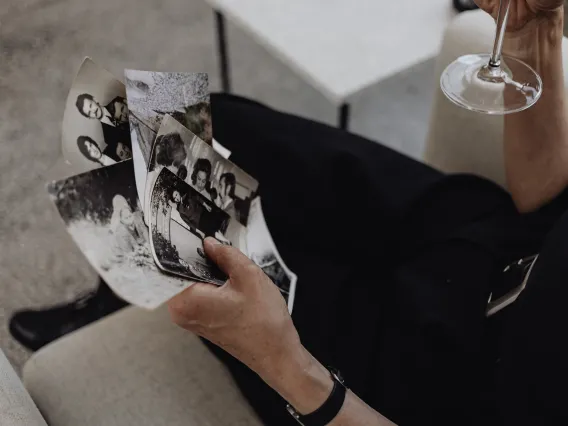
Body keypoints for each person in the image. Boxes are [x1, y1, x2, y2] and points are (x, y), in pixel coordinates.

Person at [10, 1, 568, 423]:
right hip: (479, 232)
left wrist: (287, 366)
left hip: (427, 380)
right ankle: (115, 288)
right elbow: (545, 194)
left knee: (183, 237)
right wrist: (530, 36)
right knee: (170, 126)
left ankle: (130, 279)